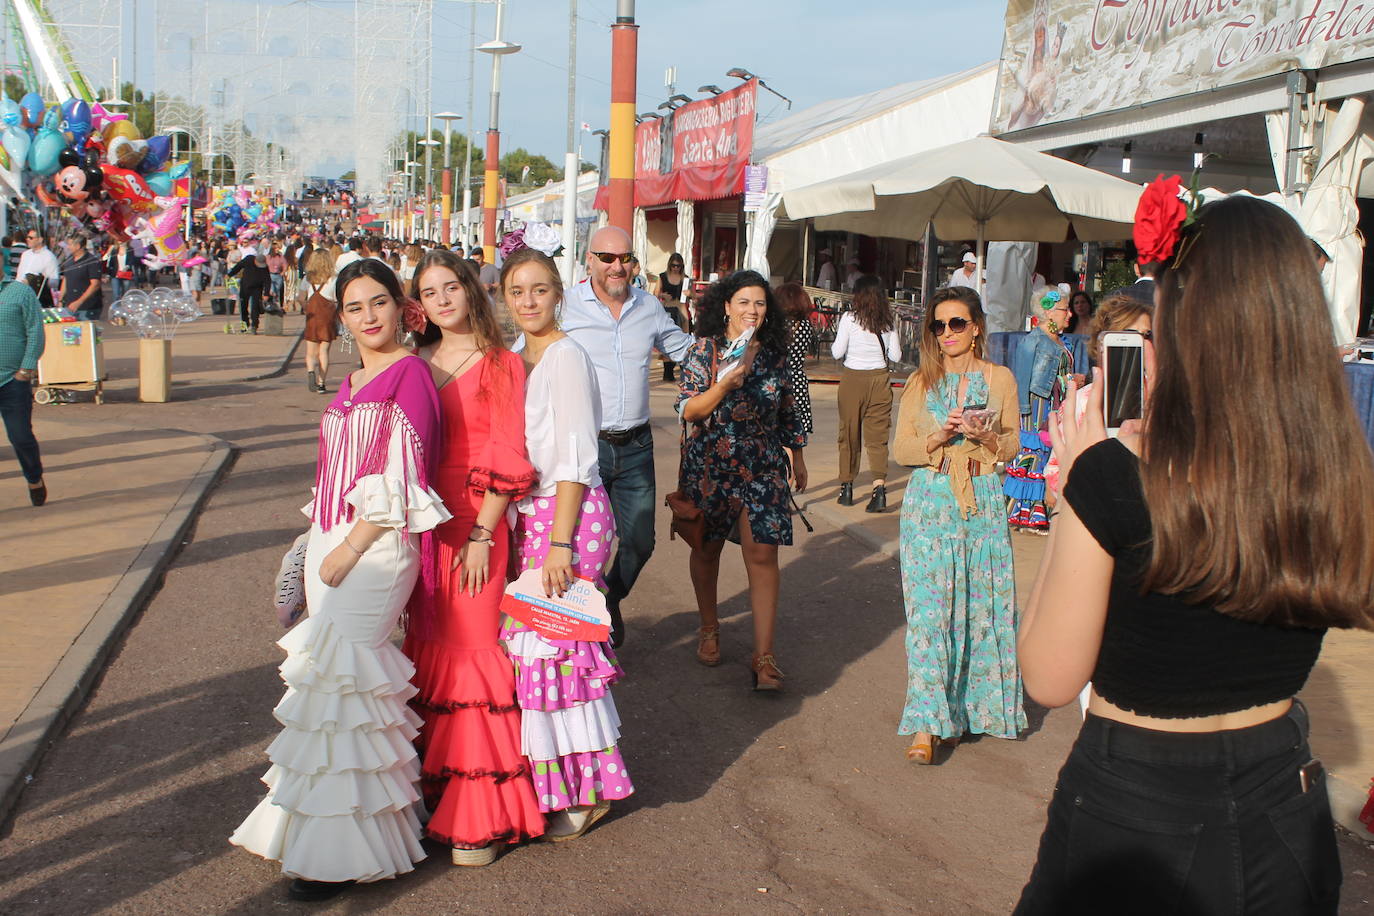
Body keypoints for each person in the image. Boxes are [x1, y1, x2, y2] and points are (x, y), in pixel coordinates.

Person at [1013, 194, 1374, 914]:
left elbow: (1049, 677)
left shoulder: (1116, 479)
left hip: (1135, 816)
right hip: (1284, 809)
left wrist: (1075, 486)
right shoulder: (1336, 476)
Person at [230, 258, 450, 903]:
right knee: (338, 690)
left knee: (343, 681)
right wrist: (312, 544)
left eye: (378, 303)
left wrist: (349, 548)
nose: (368, 317)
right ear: (342, 315)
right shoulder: (354, 381)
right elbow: (334, 473)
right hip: (334, 541)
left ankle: (333, 855)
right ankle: (346, 835)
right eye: (355, 308)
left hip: (376, 547)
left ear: (399, 306)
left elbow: (405, 478)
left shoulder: (411, 375)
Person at [403, 249, 544, 866]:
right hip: (419, 526)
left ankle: (477, 813)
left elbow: (509, 450)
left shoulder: (501, 364)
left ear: (470, 290)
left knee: (473, 653)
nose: (441, 299)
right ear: (420, 304)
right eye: (428, 291)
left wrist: (486, 534)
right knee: (427, 648)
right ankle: (434, 791)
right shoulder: (412, 365)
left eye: (450, 286)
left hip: (475, 522)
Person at [498, 246, 635, 841]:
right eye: (516, 292)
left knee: (562, 657)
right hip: (533, 513)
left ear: (559, 293)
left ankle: (592, 785)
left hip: (568, 514)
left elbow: (579, 453)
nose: (528, 302)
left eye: (539, 290)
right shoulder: (511, 357)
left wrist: (559, 544)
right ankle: (557, 784)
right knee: (536, 659)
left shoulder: (567, 355)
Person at [892, 285, 1023, 765]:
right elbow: (901, 451)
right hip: (930, 501)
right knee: (929, 614)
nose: (946, 333)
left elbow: (1011, 446)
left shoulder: (1001, 378)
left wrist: (989, 435)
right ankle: (926, 723)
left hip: (983, 502)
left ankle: (961, 714)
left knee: (976, 608)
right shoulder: (920, 383)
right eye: (938, 325)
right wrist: (938, 434)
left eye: (957, 324)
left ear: (976, 327)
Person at [558, 226, 694, 647]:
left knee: (640, 541)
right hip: (584, 447)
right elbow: (525, 357)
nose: (618, 267)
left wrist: (733, 355)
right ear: (589, 261)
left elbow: (685, 349)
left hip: (636, 446)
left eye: (625, 258)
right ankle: (576, 634)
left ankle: (607, 596)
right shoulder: (565, 307)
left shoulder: (648, 306)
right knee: (579, 542)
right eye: (607, 258)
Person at [677, 270, 808, 691]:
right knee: (707, 548)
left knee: (763, 554)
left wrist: (798, 456)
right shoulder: (705, 351)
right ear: (726, 306)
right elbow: (689, 409)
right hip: (711, 465)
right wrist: (724, 384)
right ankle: (709, 627)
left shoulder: (774, 355)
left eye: (760, 303)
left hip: (762, 464)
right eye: (744, 302)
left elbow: (789, 409)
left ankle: (764, 656)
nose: (752, 310)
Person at [1043, 294, 1152, 498]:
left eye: (1147, 335)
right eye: (1131, 335)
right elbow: (1056, 479)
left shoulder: (1163, 399)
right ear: (1103, 343)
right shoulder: (1081, 402)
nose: (1141, 344)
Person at [1004, 287, 1074, 533]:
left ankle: (1041, 510)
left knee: (1050, 456)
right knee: (1035, 456)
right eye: (1065, 309)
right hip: (1037, 407)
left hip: (1056, 407)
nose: (1070, 314)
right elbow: (1021, 380)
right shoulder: (1032, 341)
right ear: (1049, 312)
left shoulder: (1060, 340)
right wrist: (1023, 412)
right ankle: (1027, 514)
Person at [831, 275, 899, 513]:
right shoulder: (888, 322)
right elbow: (897, 356)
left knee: (848, 433)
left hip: (853, 379)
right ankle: (879, 489)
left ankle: (847, 488)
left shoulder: (849, 319)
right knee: (877, 438)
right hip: (880, 380)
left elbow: (837, 352)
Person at [0, 278, 47, 506]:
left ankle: (34, 477)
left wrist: (26, 369)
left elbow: (35, 329)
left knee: (20, 436)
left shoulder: (20, 292)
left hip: (12, 380)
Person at [776, 281, 816, 434]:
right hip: (798, 380)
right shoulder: (805, 324)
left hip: (779, 378)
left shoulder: (778, 325)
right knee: (796, 436)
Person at [301, 250, 338, 393]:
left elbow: (300, 297)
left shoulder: (308, 278)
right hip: (327, 316)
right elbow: (337, 299)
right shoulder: (333, 279)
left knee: (310, 352)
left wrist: (306, 307)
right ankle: (321, 383)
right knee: (324, 351)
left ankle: (311, 372)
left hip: (312, 315)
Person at [58, 235, 104, 321]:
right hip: (69, 305)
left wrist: (79, 301)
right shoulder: (69, 260)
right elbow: (66, 279)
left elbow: (95, 284)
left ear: (78, 246)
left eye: (70, 244)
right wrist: (60, 299)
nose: (68, 247)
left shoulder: (91, 261)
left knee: (87, 333)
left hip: (88, 308)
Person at [16, 229, 58, 310]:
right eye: (27, 237)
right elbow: (19, 275)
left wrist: (35, 280)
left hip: (37, 299)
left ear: (40, 239)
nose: (27, 239)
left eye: (31, 238)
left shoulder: (49, 256)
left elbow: (54, 281)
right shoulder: (25, 254)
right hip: (20, 296)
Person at [229, 252, 270, 333]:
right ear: (255, 261)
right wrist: (230, 274)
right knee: (243, 307)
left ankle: (254, 325)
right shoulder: (248, 260)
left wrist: (266, 294)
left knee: (255, 308)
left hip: (257, 289)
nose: (260, 266)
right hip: (245, 287)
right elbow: (238, 266)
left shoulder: (264, 267)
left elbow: (267, 280)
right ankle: (244, 325)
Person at [105, 240, 135, 304]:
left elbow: (132, 260)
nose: (120, 242)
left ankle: (124, 308)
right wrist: (108, 275)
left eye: (122, 240)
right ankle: (115, 308)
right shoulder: (115, 250)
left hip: (126, 274)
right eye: (119, 240)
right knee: (116, 294)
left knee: (125, 294)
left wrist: (128, 266)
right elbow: (111, 263)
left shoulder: (130, 249)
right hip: (115, 274)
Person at [266, 241, 286, 307]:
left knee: (277, 291)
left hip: (278, 275)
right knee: (272, 291)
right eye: (276, 248)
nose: (277, 250)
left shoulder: (281, 256)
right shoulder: (268, 257)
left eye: (278, 248)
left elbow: (285, 264)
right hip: (270, 275)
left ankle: (276, 304)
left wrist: (283, 272)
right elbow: (266, 265)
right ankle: (272, 304)